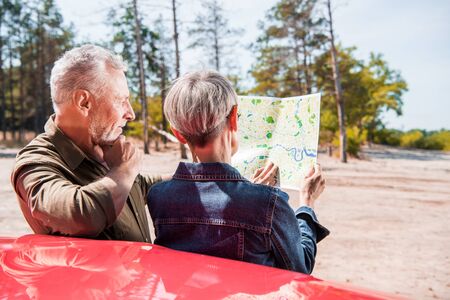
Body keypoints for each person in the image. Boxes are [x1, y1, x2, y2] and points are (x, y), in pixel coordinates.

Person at [147, 70, 330, 274]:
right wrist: (307, 203)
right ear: (234, 117)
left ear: (178, 134)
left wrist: (252, 192)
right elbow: (300, 268)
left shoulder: (158, 197)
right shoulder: (269, 203)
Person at [10, 44, 160, 242]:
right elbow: (79, 215)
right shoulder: (36, 161)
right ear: (84, 102)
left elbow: (140, 186)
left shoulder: (102, 151)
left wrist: (204, 172)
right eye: (120, 101)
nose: (130, 114)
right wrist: (124, 169)